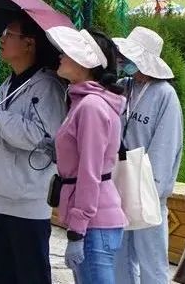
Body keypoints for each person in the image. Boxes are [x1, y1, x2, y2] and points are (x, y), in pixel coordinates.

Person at [0, 13, 67, 283]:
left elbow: (37, 137)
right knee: (3, 276)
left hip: (26, 204)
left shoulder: (47, 87)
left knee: (30, 276)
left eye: (8, 35)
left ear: (29, 43)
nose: (1, 40)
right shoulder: (8, 85)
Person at [46, 27, 128, 284]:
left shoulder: (91, 106)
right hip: (93, 220)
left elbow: (90, 172)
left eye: (67, 52)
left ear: (86, 62)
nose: (60, 56)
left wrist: (77, 232)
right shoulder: (83, 102)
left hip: (95, 222)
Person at [112, 27, 183, 284]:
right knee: (118, 257)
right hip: (119, 183)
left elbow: (166, 146)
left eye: (130, 57)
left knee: (151, 260)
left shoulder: (164, 95)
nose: (124, 62)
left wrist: (152, 190)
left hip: (147, 190)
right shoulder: (122, 87)